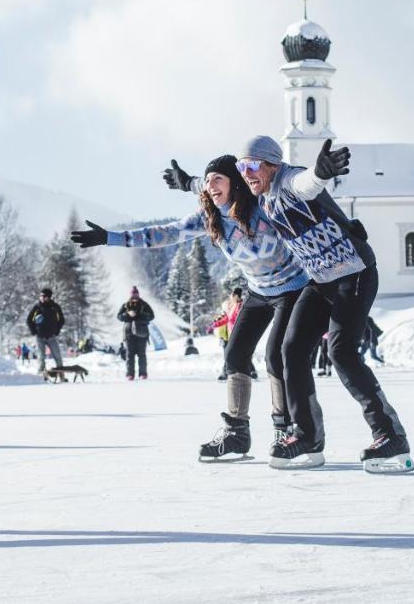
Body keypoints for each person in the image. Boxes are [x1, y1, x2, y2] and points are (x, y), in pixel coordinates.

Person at [175, 136, 411, 473]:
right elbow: (212, 182)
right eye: (242, 168)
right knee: (291, 350)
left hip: (353, 273)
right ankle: (307, 437)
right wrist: (188, 183)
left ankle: (390, 436)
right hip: (320, 280)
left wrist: (321, 172)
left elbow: (306, 183)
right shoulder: (255, 191)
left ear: (272, 164)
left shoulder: (287, 181)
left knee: (341, 352)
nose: (246, 174)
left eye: (253, 166)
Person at [73, 155, 312, 461]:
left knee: (276, 357)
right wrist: (110, 237)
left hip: (293, 287)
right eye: (208, 181)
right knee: (235, 355)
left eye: (218, 180)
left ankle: (285, 428)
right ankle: (237, 432)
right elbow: (163, 234)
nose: (211, 186)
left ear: (235, 183)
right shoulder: (208, 216)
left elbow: (300, 207)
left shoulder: (261, 206)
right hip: (259, 291)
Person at [117, 287, 155, 380]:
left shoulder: (144, 305)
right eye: (133, 295)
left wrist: (141, 315)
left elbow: (152, 316)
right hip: (129, 334)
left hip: (141, 333)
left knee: (142, 354)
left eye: (136, 295)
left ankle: (143, 374)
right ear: (130, 295)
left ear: (138, 295)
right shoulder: (125, 305)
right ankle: (130, 374)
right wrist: (127, 314)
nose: (134, 297)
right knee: (130, 355)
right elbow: (119, 316)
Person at [26, 287, 66, 374]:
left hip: (51, 336)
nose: (42, 298)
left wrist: (57, 330)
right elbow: (29, 320)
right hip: (40, 337)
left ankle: (61, 372)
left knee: (57, 355)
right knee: (41, 356)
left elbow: (61, 320)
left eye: (44, 296)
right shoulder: (37, 307)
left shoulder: (55, 307)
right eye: (41, 296)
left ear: (49, 297)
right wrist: (33, 331)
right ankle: (41, 372)